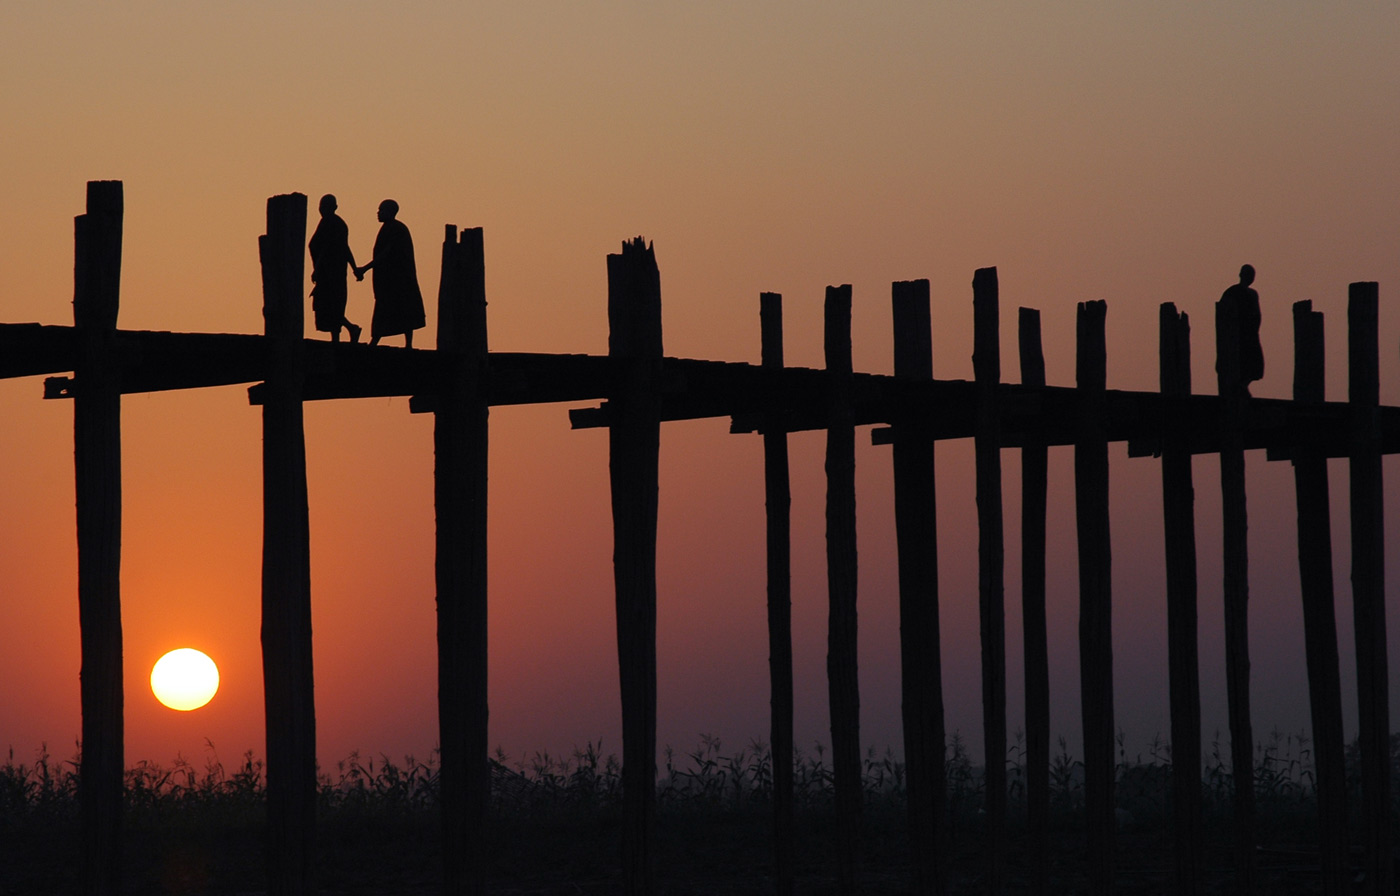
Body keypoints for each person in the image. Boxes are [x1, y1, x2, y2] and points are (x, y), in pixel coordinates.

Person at [355, 199, 425, 348]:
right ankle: (377, 341)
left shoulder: (396, 229)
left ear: (390, 212)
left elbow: (385, 254)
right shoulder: (389, 228)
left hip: (398, 279)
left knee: (402, 309)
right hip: (389, 279)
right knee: (387, 309)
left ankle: (406, 344)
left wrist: (364, 268)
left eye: (381, 210)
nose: (378, 213)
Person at [308, 194, 363, 343]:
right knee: (331, 304)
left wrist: (317, 269)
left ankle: (350, 329)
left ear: (334, 208)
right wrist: (354, 268)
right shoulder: (333, 223)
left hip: (330, 271)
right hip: (334, 271)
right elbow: (344, 248)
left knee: (330, 303)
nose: (322, 210)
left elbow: (328, 248)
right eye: (321, 207)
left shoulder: (331, 223)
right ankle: (341, 335)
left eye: (325, 207)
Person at [1219, 264, 1263, 392]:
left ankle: (1242, 386)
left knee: (1253, 365)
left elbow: (1257, 315)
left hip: (1249, 334)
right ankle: (1238, 387)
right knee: (1238, 363)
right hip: (1237, 334)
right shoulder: (1232, 293)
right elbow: (1223, 313)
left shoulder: (1251, 294)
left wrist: (1255, 329)